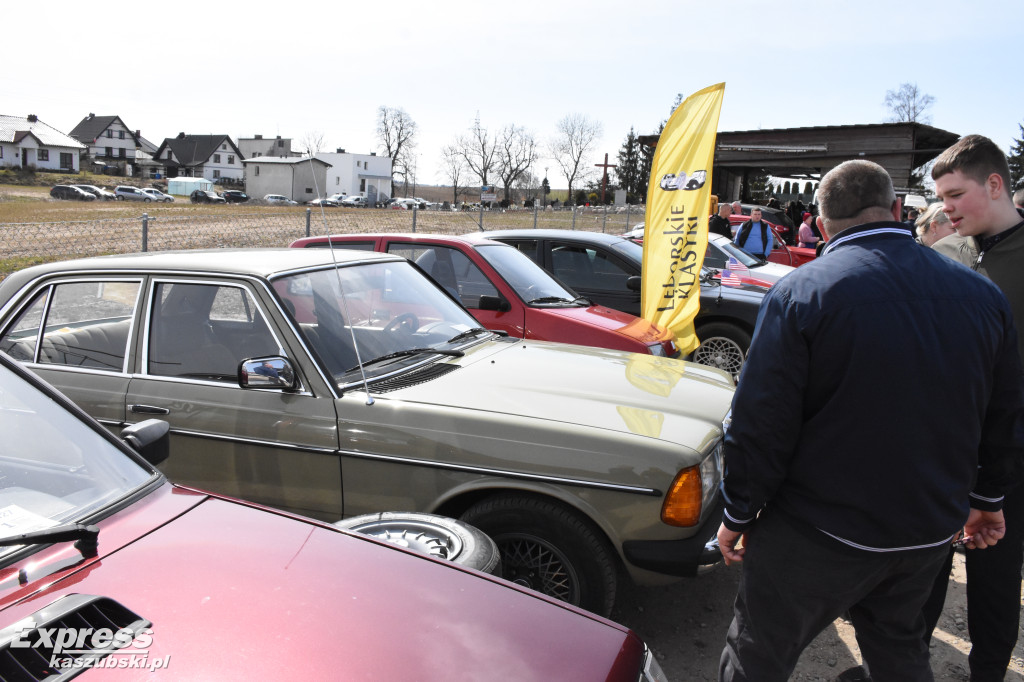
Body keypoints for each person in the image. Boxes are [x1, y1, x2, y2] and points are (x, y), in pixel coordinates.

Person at [716, 159, 1024, 682]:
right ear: (898, 208)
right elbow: (1005, 412)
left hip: (819, 530)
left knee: (758, 652)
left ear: (823, 220)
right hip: (925, 529)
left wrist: (738, 513)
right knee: (898, 648)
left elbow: (759, 422)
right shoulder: (982, 296)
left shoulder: (800, 293)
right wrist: (987, 498)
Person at [921, 134, 1024, 682]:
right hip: (945, 455)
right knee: (922, 571)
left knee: (994, 579)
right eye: (941, 196)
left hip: (1009, 461)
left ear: (994, 184)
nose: (947, 208)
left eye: (956, 194)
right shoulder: (950, 256)